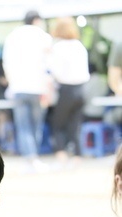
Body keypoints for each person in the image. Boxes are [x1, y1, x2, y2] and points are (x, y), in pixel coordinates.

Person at [2, 9, 53, 170]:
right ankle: (34, 158)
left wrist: (12, 82)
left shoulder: (12, 37)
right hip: (39, 88)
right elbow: (49, 64)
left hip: (18, 88)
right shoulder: (43, 37)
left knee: (23, 125)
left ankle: (29, 159)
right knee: (36, 125)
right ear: (37, 20)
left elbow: (6, 63)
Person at [47, 16, 89, 165]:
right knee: (75, 124)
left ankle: (61, 156)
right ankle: (78, 157)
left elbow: (55, 71)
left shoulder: (58, 47)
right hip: (81, 89)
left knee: (58, 124)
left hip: (65, 90)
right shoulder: (79, 46)